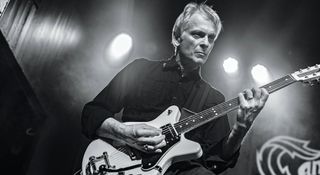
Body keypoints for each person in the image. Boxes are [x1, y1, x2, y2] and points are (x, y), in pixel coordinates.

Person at [81, 2, 269, 175]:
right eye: (197, 34)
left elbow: (216, 161)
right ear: (177, 37)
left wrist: (241, 128)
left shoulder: (213, 98)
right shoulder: (141, 69)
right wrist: (126, 133)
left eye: (211, 38)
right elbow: (92, 113)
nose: (205, 43)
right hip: (121, 166)